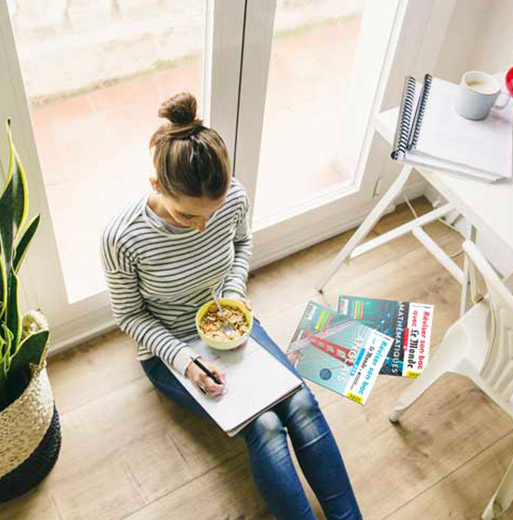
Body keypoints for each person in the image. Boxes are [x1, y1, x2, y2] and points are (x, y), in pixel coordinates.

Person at [100, 92, 362, 520]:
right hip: (171, 347)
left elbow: (241, 243)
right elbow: (128, 315)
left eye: (213, 212)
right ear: (155, 187)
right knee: (263, 426)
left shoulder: (234, 196)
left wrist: (236, 294)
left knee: (301, 403)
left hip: (227, 322)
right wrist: (184, 361)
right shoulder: (122, 237)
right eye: (188, 218)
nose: (202, 227)